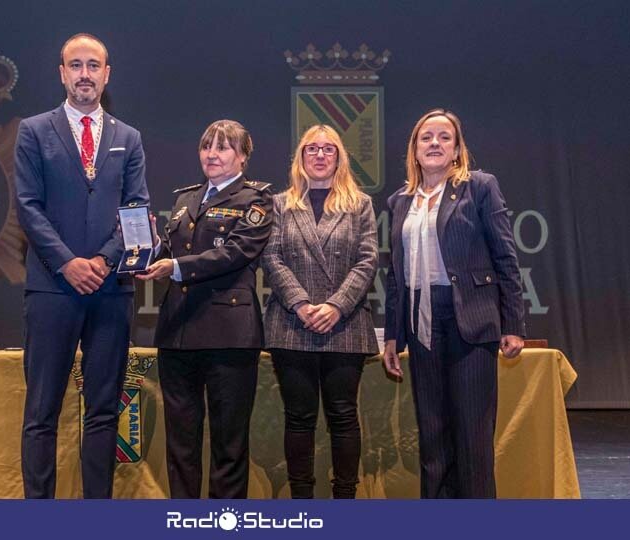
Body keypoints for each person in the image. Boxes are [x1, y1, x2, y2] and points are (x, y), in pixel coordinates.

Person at [14, 33, 149, 498]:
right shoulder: (33, 131)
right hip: (52, 290)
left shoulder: (128, 138)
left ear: (107, 74)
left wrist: (102, 261)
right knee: (41, 412)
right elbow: (28, 208)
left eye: (94, 65)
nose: (85, 74)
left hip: (110, 292)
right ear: (62, 73)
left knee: (104, 410)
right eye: (76, 65)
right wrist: (68, 263)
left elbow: (137, 210)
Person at [382, 108, 526, 498]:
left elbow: (505, 257)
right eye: (426, 137)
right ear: (413, 149)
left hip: (470, 318)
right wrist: (393, 337)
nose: (435, 144)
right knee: (432, 431)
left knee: (472, 433)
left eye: (444, 137)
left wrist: (513, 322)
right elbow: (395, 274)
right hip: (420, 320)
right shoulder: (400, 200)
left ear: (458, 148)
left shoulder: (479, 187)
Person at [136, 119, 272, 498]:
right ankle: (185, 519)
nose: (212, 154)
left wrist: (175, 267)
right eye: (206, 146)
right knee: (181, 443)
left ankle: (223, 523)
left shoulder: (256, 200)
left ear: (243, 156)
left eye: (223, 147)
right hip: (178, 332)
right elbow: (167, 251)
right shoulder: (185, 200)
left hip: (229, 334)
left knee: (229, 444)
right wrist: (144, 243)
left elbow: (236, 252)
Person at [261, 124, 378, 499]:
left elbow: (367, 260)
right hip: (292, 324)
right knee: (299, 418)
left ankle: (344, 498)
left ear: (340, 157)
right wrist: (300, 302)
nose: (320, 155)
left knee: (344, 416)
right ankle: (302, 503)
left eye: (329, 149)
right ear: (301, 157)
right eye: (312, 148)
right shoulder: (280, 203)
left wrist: (335, 306)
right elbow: (271, 256)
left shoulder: (360, 204)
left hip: (345, 325)